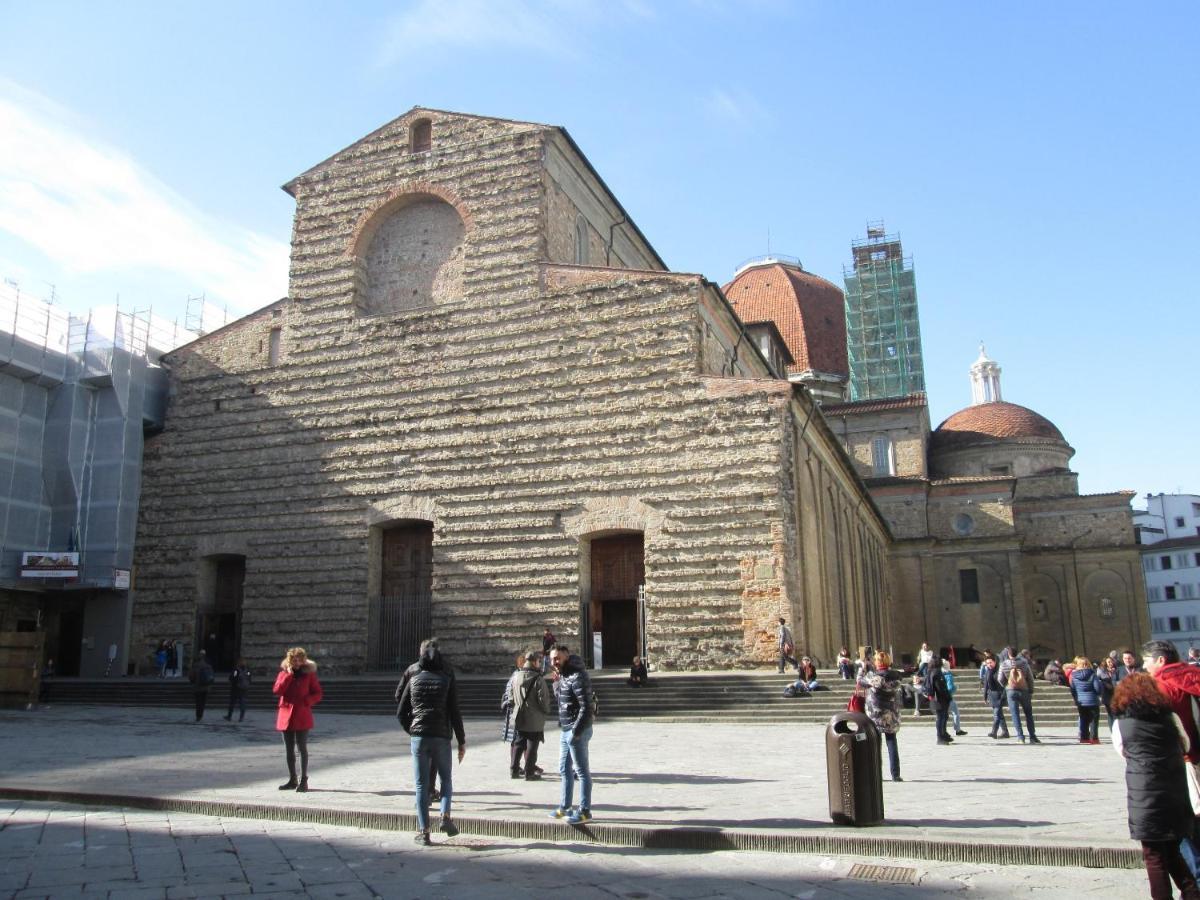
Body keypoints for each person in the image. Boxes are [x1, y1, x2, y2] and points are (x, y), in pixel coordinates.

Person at [1112, 673, 1200, 900]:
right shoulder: (1171, 717)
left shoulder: (1121, 724)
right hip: (1174, 791)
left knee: (1153, 856)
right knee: (1173, 850)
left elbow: (1123, 752)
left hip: (1144, 797)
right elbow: (1186, 744)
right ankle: (1192, 893)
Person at [398, 640, 466, 845]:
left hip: (419, 737)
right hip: (442, 736)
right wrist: (461, 741)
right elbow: (455, 711)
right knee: (446, 779)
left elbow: (400, 711)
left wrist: (412, 729)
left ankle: (424, 831)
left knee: (421, 785)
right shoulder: (446, 679)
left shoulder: (414, 678)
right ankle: (445, 817)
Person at [1143, 639, 1200, 876]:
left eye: (1146, 661)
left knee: (1184, 823)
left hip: (1183, 761)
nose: (1144, 666)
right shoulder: (1194, 675)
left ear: (1160, 660)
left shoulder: (1162, 686)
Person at [548, 645, 594, 825]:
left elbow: (586, 706)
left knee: (581, 772)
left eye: (558, 658)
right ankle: (565, 806)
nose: (554, 662)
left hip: (576, 730)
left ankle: (584, 811)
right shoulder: (564, 675)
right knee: (564, 769)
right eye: (552, 659)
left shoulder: (577, 675)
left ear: (567, 656)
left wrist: (576, 731)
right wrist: (556, 683)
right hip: (566, 729)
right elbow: (562, 701)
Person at [273, 647, 323, 793]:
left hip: (301, 713)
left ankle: (303, 780)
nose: (296, 662)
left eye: (299, 660)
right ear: (289, 661)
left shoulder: (309, 675)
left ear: (303, 661)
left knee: (302, 748)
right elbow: (277, 690)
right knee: (289, 750)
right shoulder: (283, 674)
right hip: (286, 714)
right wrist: (288, 676)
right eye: (293, 660)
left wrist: (307, 701)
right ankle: (292, 779)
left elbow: (318, 693)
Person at [506, 648, 554, 780]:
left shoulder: (515, 676)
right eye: (538, 661)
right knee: (532, 744)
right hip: (534, 718)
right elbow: (543, 699)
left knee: (518, 742)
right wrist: (546, 711)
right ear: (534, 662)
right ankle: (529, 772)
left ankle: (514, 770)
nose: (539, 663)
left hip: (519, 716)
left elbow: (510, 696)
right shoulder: (538, 679)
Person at [859, 650, 903, 781]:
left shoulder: (874, 677)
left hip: (876, 716)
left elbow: (860, 681)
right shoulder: (896, 677)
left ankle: (877, 774)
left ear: (876, 662)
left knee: (875, 745)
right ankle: (896, 774)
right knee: (892, 742)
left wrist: (862, 668)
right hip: (891, 715)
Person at [999, 646, 1040, 744]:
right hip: (1024, 689)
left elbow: (1000, 679)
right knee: (1028, 714)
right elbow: (1030, 678)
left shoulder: (1004, 664)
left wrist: (1007, 686)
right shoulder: (1024, 662)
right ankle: (1032, 736)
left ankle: (1020, 737)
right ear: (1017, 653)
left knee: (1015, 714)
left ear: (1008, 654)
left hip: (1011, 690)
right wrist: (1031, 690)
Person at [1070, 656, 1103, 744]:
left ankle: (1084, 738)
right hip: (1092, 701)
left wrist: (1076, 698)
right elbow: (1097, 688)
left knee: (1084, 719)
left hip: (1081, 701)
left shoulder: (1073, 676)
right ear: (1088, 664)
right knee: (1093, 721)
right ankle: (1094, 738)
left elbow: (1073, 689)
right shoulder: (1092, 674)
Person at [923, 657, 953, 744]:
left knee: (943, 717)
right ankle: (940, 737)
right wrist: (948, 696)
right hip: (939, 699)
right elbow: (940, 688)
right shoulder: (936, 672)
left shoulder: (931, 671)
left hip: (937, 699)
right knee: (941, 718)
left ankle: (943, 734)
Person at [981, 653, 1010, 739]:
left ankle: (994, 731)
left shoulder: (999, 671)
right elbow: (986, 685)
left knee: (996, 714)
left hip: (1000, 695)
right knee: (999, 714)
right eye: (987, 663)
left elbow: (1005, 684)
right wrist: (985, 697)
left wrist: (1004, 696)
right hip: (992, 696)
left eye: (991, 662)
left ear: (995, 661)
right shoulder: (987, 671)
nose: (989, 665)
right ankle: (1005, 732)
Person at [188, 650, 215, 722]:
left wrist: (192, 682)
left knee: (198, 702)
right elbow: (212, 676)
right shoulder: (208, 665)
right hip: (206, 687)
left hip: (197, 687)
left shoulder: (195, 665)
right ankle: (201, 714)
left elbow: (191, 676)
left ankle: (198, 716)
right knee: (203, 702)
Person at [943, 660, 967, 736]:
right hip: (948, 697)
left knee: (943, 715)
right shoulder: (948, 675)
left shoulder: (939, 674)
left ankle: (943, 730)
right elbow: (950, 688)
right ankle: (958, 729)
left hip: (941, 698)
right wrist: (955, 688)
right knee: (955, 713)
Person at [1097, 655, 1118, 728]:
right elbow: (1099, 680)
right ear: (1105, 663)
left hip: (1116, 693)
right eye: (1108, 662)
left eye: (1111, 661)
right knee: (1110, 713)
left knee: (1115, 713)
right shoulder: (1102, 671)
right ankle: (1112, 729)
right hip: (1107, 694)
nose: (1110, 663)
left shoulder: (1117, 670)